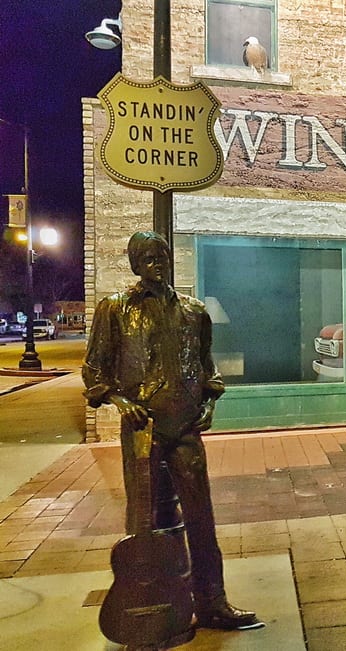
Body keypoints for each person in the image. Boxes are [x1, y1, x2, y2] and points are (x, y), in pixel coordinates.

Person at [83, 231, 262, 632]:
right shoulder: (114, 310)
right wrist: (120, 401)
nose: (156, 263)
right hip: (142, 428)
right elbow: (95, 369)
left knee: (202, 516)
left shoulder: (194, 311)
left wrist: (210, 403)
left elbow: (206, 367)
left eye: (161, 255)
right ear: (134, 264)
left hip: (185, 428)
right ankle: (150, 607)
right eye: (146, 257)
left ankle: (212, 602)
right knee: (143, 520)